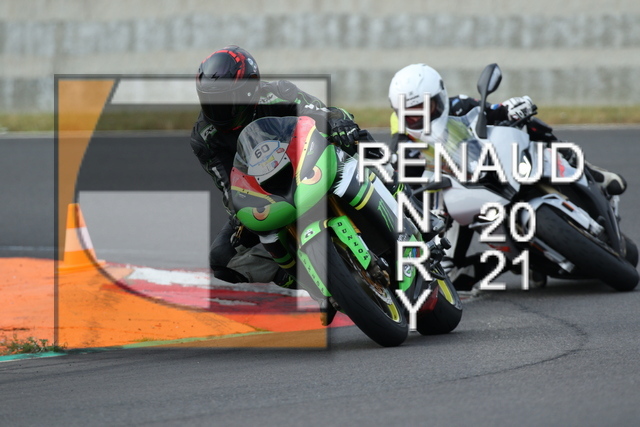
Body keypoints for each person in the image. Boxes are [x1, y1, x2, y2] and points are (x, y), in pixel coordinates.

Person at [387, 63, 628, 289]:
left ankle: (592, 172)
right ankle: (511, 261)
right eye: (409, 113)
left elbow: (494, 112)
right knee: (450, 273)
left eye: (423, 107)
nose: (417, 116)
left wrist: (514, 107)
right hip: (458, 196)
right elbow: (405, 188)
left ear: (438, 99)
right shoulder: (403, 143)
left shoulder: (458, 105)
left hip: (489, 168)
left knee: (528, 124)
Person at [190, 45, 361, 294]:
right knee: (221, 257)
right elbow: (229, 188)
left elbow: (324, 113)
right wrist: (243, 216)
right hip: (265, 191)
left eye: (225, 99)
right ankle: (307, 280)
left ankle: (400, 198)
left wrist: (338, 124)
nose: (218, 109)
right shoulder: (204, 138)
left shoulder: (277, 94)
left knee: (356, 140)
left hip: (309, 163)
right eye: (210, 101)